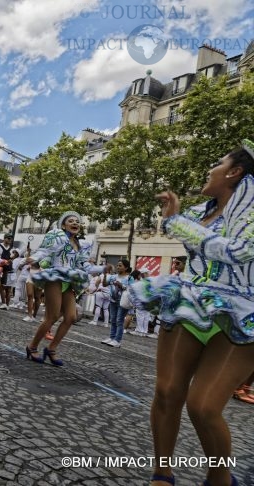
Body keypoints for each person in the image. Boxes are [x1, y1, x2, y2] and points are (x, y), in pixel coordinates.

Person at [130, 141, 254, 486]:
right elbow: (199, 249)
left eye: (217, 161)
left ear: (234, 172)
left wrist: (178, 224)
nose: (209, 168)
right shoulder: (204, 212)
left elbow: (240, 252)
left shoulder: (253, 210)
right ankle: (162, 474)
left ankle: (220, 480)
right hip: (189, 301)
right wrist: (176, 218)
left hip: (241, 311)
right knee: (168, 392)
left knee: (203, 407)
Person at [24, 212, 101, 366]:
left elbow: (84, 264)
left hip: (69, 280)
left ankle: (51, 349)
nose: (75, 223)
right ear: (64, 225)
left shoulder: (80, 244)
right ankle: (32, 346)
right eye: (71, 221)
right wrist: (34, 258)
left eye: (77, 222)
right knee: (52, 317)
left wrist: (102, 268)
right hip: (55, 278)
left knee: (71, 317)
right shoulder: (57, 237)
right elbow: (44, 251)